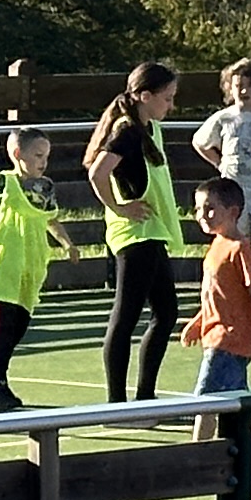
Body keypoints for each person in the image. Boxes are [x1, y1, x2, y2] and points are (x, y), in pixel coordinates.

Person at [83, 60, 184, 404]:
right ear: (144, 95)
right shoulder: (126, 130)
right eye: (166, 98)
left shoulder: (150, 128)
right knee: (126, 316)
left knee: (166, 313)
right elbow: (97, 173)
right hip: (134, 235)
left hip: (152, 232)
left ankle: (145, 397)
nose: (171, 105)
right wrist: (120, 207)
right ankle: (117, 403)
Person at [0, 126, 72, 411]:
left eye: (46, 156)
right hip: (3, 260)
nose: (43, 161)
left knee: (20, 322)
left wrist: (67, 243)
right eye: (37, 155)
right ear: (17, 154)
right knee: (1, 321)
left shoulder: (45, 187)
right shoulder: (2, 182)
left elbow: (50, 219)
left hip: (31, 261)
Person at [177, 180, 251, 440]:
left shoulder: (240, 249)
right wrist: (197, 322)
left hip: (229, 340)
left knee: (204, 402)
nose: (202, 216)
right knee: (241, 398)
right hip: (216, 335)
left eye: (210, 209)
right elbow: (217, 298)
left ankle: (197, 454)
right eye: (198, 209)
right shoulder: (216, 245)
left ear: (233, 212)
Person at [192, 57, 251, 250]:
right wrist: (219, 163)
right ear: (230, 88)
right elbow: (200, 142)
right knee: (235, 237)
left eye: (250, 86)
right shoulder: (224, 118)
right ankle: (239, 276)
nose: (244, 91)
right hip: (233, 187)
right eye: (238, 86)